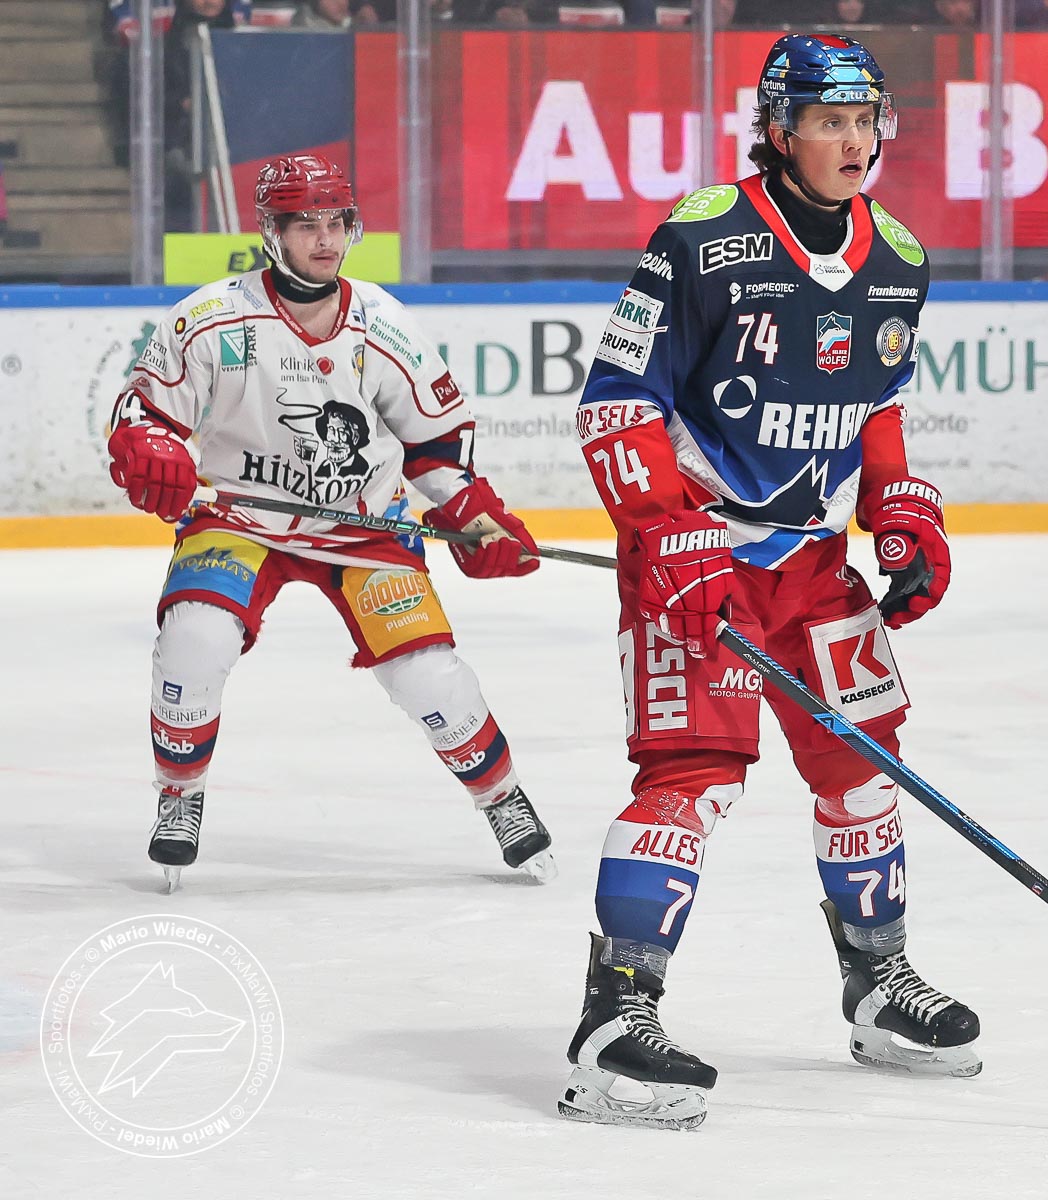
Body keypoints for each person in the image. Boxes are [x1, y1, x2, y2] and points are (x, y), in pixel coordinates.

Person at [560, 33, 977, 1130]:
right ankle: (615, 1016)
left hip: (812, 566)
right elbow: (616, 401)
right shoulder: (704, 238)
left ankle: (879, 986)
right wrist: (664, 530)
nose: (855, 141)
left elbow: (877, 401)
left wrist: (898, 506)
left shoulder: (899, 256)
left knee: (866, 763)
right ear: (781, 131)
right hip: (697, 557)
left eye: (866, 120)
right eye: (831, 122)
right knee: (692, 778)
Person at [104, 153, 554, 891]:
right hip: (242, 520)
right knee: (194, 639)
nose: (323, 239)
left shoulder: (383, 324)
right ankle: (179, 794)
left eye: (335, 222)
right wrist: (150, 449)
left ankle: (502, 798)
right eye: (304, 224)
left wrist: (472, 513)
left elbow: (434, 444)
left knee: (429, 675)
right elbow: (145, 415)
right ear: (271, 232)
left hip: (364, 528)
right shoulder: (209, 318)